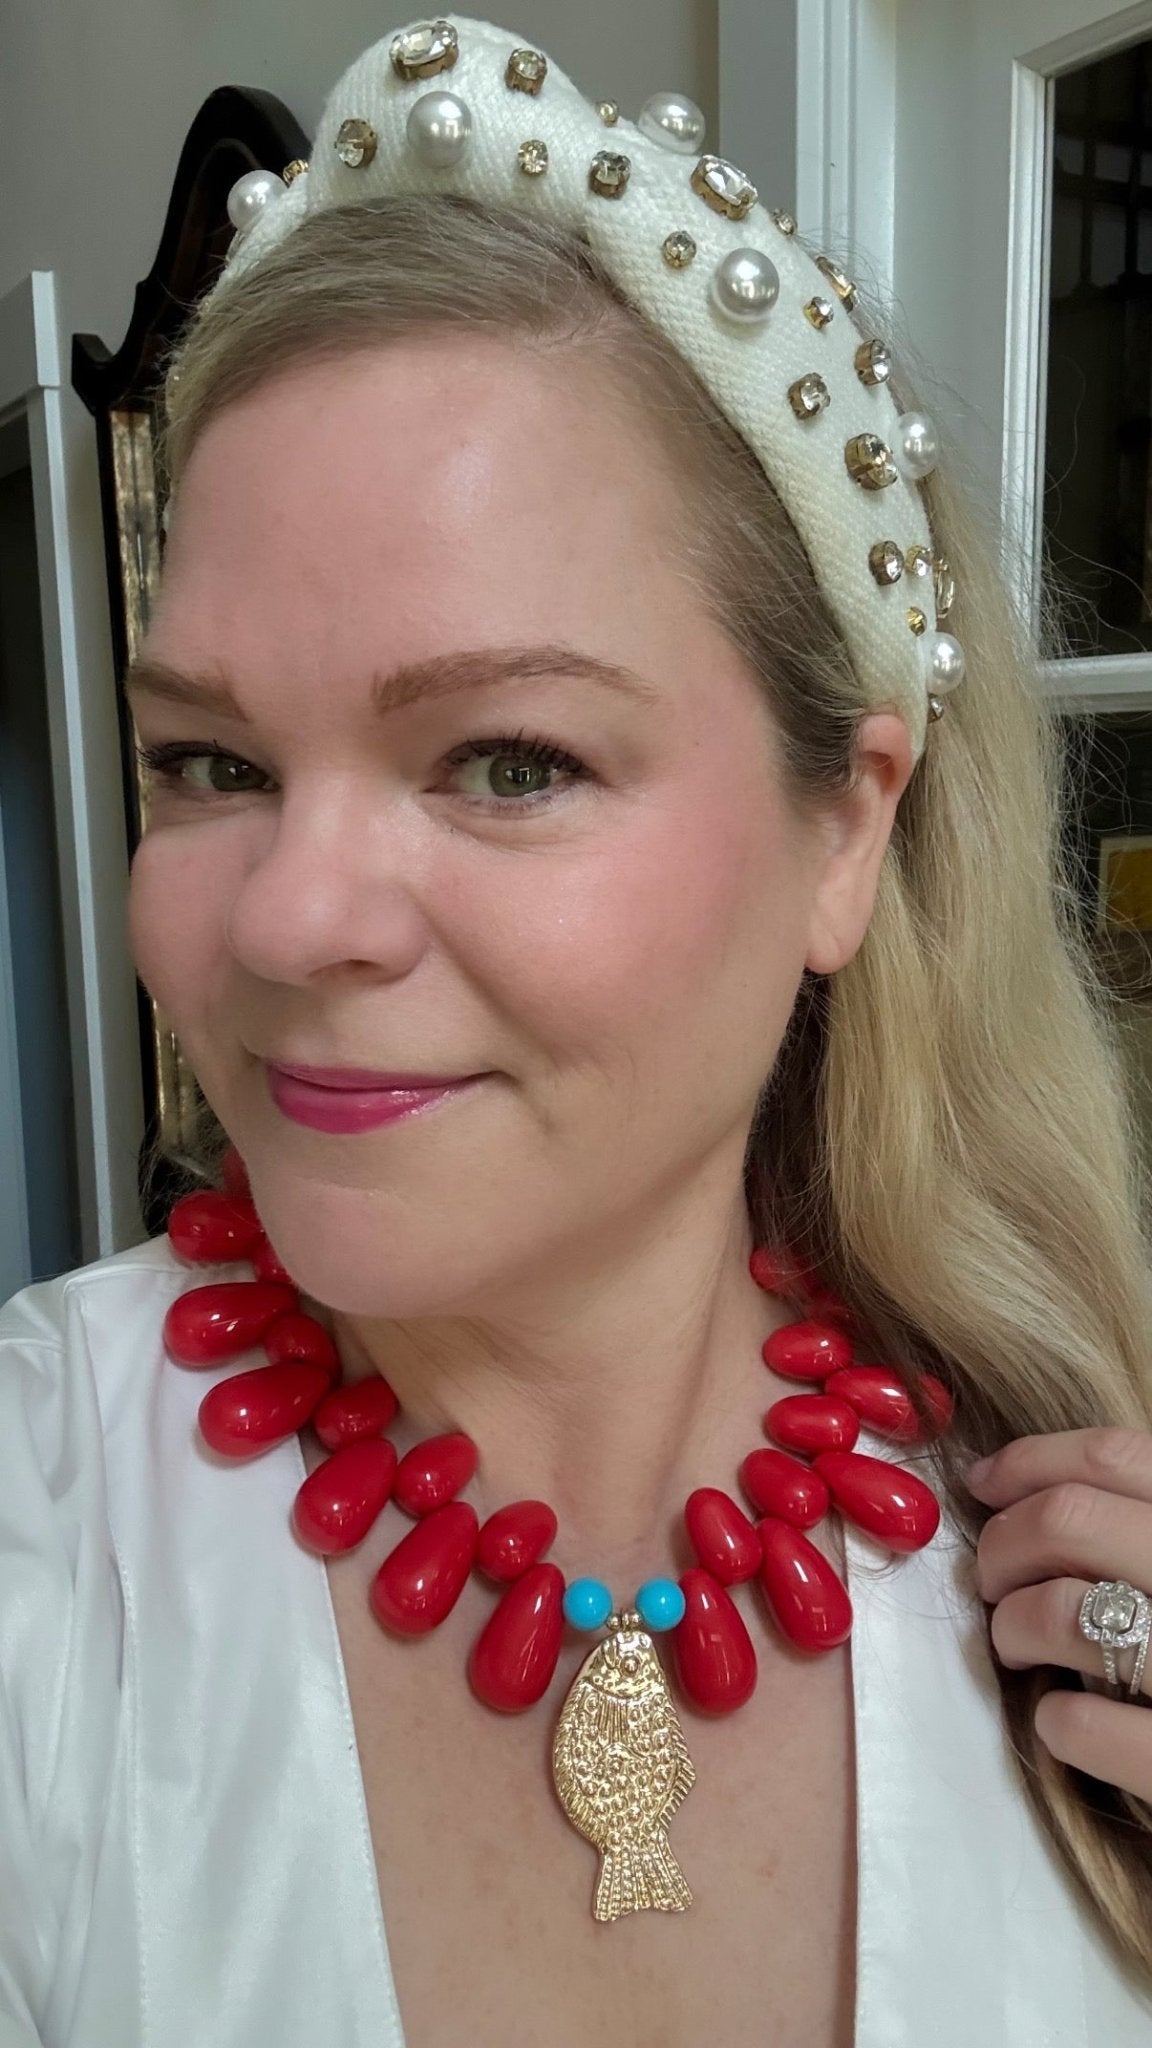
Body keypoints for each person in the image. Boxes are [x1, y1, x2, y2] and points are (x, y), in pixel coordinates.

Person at [4, 14, 1152, 2045]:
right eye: (205, 762)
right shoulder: (42, 1547)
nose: (284, 913)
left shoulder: (1073, 1561)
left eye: (508, 758)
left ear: (846, 828)